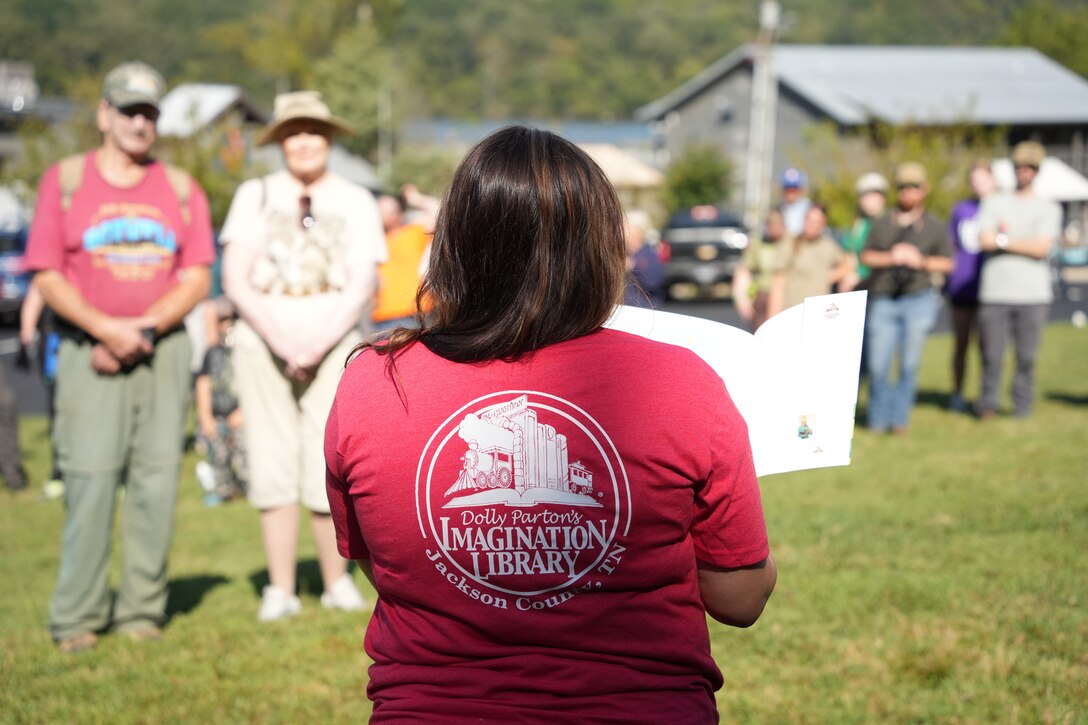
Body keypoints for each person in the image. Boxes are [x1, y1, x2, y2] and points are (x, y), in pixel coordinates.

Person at [325, 126, 776, 722]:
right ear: (602, 247)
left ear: (455, 244)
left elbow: (384, 560)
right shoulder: (683, 381)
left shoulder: (375, 380)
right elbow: (740, 598)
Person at [24, 61, 215, 652]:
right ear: (104, 114)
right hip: (87, 349)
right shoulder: (66, 179)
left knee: (157, 480)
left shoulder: (181, 187)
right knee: (88, 479)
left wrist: (142, 330)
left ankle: (141, 610)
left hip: (160, 350)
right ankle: (76, 616)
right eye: (129, 109)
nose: (139, 121)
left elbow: (197, 275)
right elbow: (49, 272)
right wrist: (106, 329)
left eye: (149, 113)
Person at [221, 91, 385, 622]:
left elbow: (363, 282)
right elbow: (235, 279)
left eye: (314, 130)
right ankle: (281, 586)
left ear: (330, 137)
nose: (305, 141)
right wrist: (278, 339)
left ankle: (336, 581)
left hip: (331, 339)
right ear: (281, 141)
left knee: (327, 458)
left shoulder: (357, 199)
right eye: (293, 132)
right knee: (270, 458)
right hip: (264, 340)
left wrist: (316, 344)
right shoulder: (256, 193)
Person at [860, 162, 953, 434]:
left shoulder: (934, 225)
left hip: (918, 299)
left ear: (924, 190)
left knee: (909, 363)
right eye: (903, 187)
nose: (908, 193)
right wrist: (892, 256)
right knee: (878, 364)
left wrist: (920, 260)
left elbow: (948, 263)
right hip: (885, 299)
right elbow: (865, 256)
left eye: (914, 187)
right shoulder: (882, 223)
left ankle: (899, 419)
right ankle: (876, 421)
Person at [975, 141, 1061, 420]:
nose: (1024, 172)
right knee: (991, 355)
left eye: (1030, 168)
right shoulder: (994, 201)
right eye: (1020, 166)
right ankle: (988, 404)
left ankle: (1022, 407)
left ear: (1037, 171)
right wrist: (1022, 241)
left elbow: (1041, 249)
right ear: (1013, 169)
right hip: (995, 293)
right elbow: (984, 240)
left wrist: (1003, 239)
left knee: (1026, 358)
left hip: (1032, 296)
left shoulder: (1049, 207)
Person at [946, 161, 996, 412]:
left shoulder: (1001, 206)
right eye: (974, 180)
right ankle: (957, 392)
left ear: (993, 180)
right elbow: (952, 246)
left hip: (993, 288)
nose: (978, 185)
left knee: (989, 347)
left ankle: (986, 398)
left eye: (983, 179)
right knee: (961, 344)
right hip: (963, 287)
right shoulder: (961, 210)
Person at [193, 297, 246, 505]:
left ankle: (246, 484)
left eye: (230, 321)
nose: (227, 327)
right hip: (217, 415)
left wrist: (242, 412)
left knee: (244, 451)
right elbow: (203, 386)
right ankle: (222, 488)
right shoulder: (211, 354)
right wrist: (206, 418)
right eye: (222, 322)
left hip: (241, 415)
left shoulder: (243, 352)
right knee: (219, 453)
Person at [18, 280, 63, 496]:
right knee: (58, 409)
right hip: (55, 347)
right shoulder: (52, 269)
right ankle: (59, 473)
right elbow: (37, 291)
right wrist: (26, 334)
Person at [767, 204, 850, 317]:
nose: (811, 224)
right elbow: (778, 284)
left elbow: (847, 264)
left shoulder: (828, 246)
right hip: (791, 312)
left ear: (823, 224)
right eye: (808, 219)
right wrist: (772, 317)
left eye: (816, 221)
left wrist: (830, 277)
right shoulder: (790, 243)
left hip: (818, 314)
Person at [371, 192, 431, 332]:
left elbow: (440, 214)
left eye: (382, 210)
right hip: (381, 315)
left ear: (398, 214)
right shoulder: (376, 241)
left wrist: (418, 199)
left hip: (410, 311)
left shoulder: (415, 232)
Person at [732, 208, 787, 330]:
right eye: (770, 223)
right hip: (762, 296)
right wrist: (742, 299)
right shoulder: (758, 244)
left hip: (787, 298)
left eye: (778, 224)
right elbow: (744, 271)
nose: (774, 227)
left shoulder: (792, 243)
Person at [839, 172, 889, 293]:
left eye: (873, 195)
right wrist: (850, 274)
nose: (869, 200)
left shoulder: (890, 224)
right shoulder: (857, 226)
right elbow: (850, 253)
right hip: (859, 286)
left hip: (883, 285)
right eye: (865, 196)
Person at [623, 210, 666, 308]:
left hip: (644, 312)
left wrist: (633, 266)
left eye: (624, 227)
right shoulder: (623, 255)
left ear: (637, 232)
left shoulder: (650, 255)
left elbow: (654, 283)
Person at [778, 167, 811, 237]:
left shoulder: (810, 208)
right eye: (788, 188)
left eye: (794, 189)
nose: (791, 193)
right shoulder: (778, 209)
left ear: (801, 189)